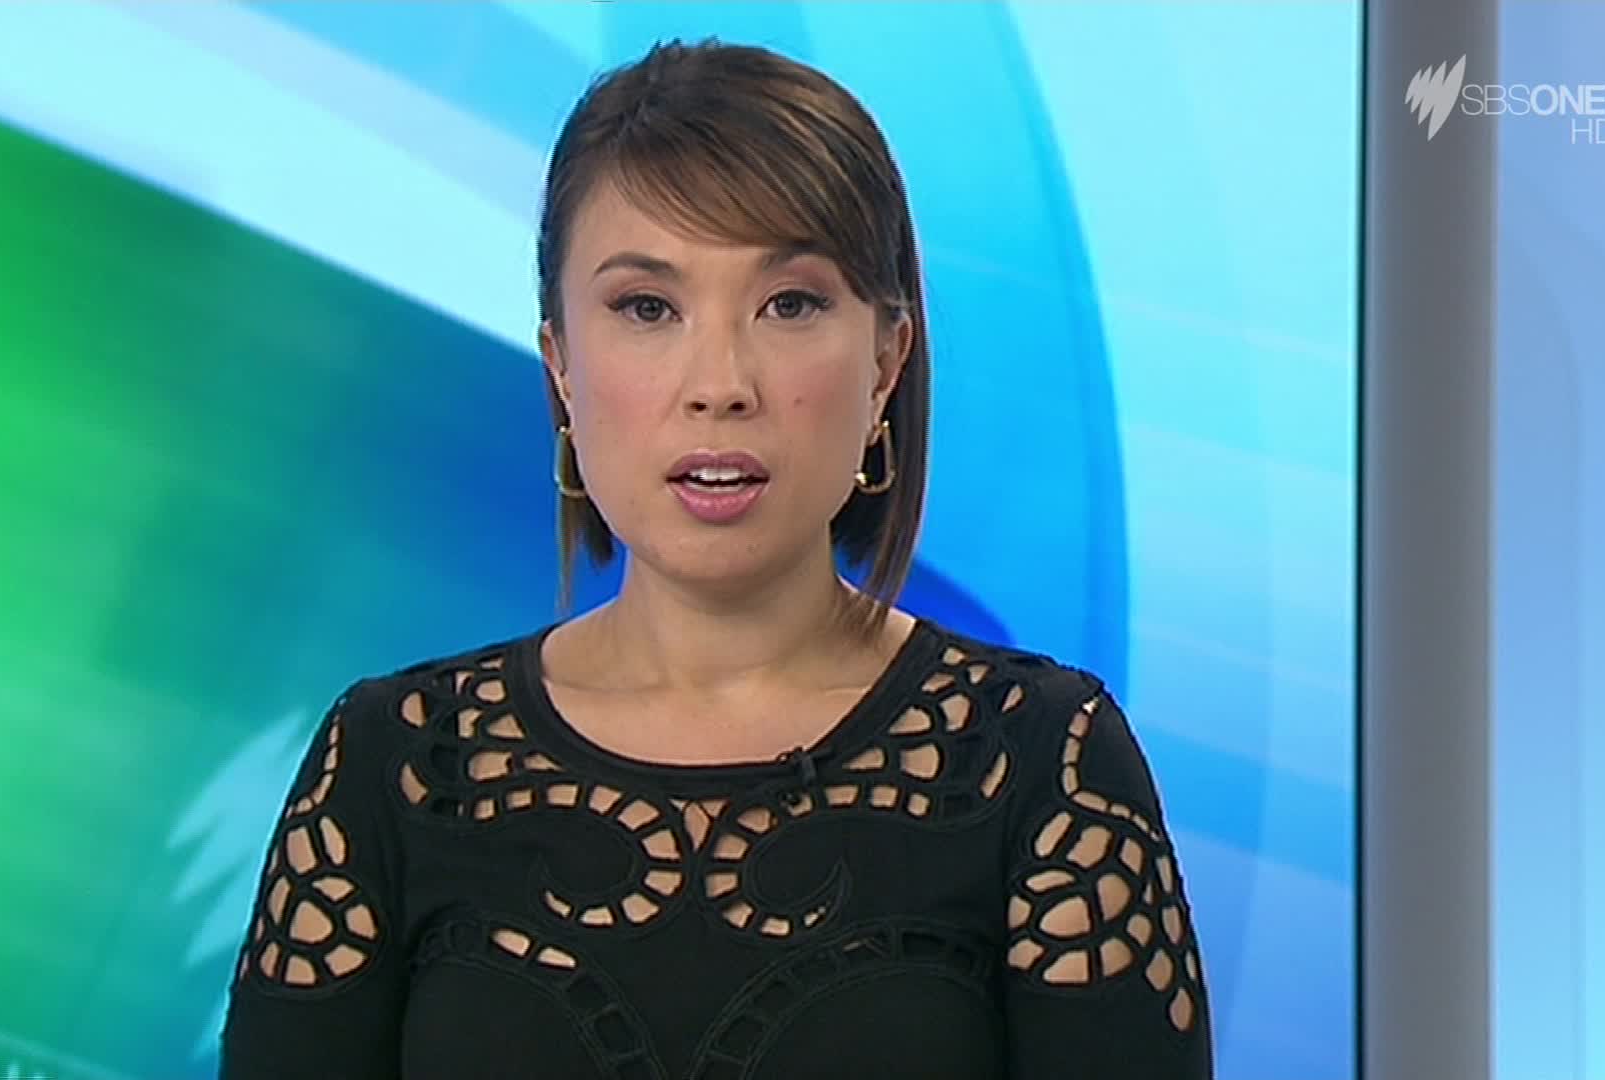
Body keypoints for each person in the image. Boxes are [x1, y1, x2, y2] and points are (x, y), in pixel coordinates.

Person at [217, 38, 1211, 1080]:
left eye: (790, 303)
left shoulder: (1044, 761)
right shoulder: (397, 765)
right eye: (648, 308)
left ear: (886, 360)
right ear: (562, 367)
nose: (721, 383)